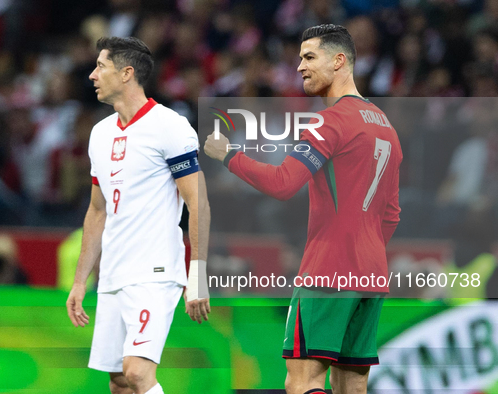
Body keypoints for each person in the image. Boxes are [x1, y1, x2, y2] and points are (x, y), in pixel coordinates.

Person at [204, 24, 402, 394]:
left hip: (328, 272)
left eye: (309, 57)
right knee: (351, 385)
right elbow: (390, 214)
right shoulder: (386, 127)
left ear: (339, 61)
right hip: (371, 275)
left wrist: (229, 155)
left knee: (302, 381)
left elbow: (283, 183)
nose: (300, 67)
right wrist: (363, 252)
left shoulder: (330, 122)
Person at [66, 37, 211, 394]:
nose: (92, 75)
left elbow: (199, 203)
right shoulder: (99, 134)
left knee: (137, 373)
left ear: (127, 73)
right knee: (118, 381)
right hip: (114, 272)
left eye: (101, 66)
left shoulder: (170, 127)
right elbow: (97, 210)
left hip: (155, 271)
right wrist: (80, 279)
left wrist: (199, 274)